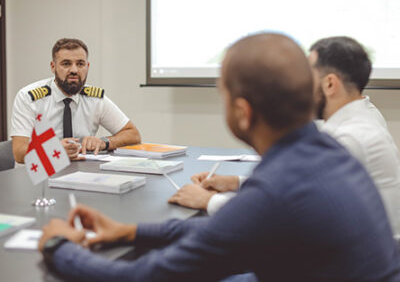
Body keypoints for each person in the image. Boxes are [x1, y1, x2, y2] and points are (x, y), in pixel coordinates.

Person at [38, 33, 400, 281]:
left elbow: (143, 276)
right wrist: (130, 231)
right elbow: (225, 228)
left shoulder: (279, 189)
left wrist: (58, 245)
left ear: (242, 112)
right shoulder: (322, 154)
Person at [173, 37, 400, 236]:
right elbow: (294, 192)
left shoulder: (348, 139)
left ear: (330, 84)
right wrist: (237, 183)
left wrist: (208, 201)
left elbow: (275, 215)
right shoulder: (365, 117)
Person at [10, 38, 141, 163]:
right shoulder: (29, 97)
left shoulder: (94, 98)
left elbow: (132, 134)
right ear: (53, 66)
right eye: (66, 64)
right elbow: (19, 153)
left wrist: (104, 142)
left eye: (80, 64)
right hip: (39, 173)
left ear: (87, 66)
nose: (74, 70)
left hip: (80, 172)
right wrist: (53, 150)